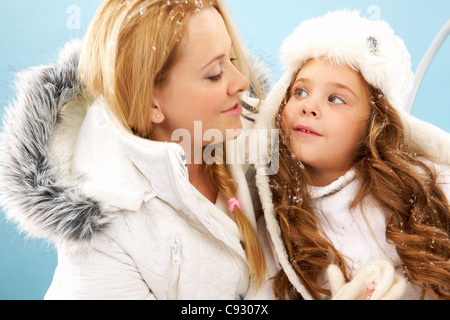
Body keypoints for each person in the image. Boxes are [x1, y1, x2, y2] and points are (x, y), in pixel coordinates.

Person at [0, 0, 272, 299]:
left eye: (233, 59)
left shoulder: (261, 141)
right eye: (215, 74)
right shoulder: (105, 235)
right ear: (151, 103)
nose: (242, 81)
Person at [253, 10, 450, 300]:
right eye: (300, 92)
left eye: (335, 99)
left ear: (374, 123)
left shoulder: (430, 188)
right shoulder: (274, 226)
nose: (309, 107)